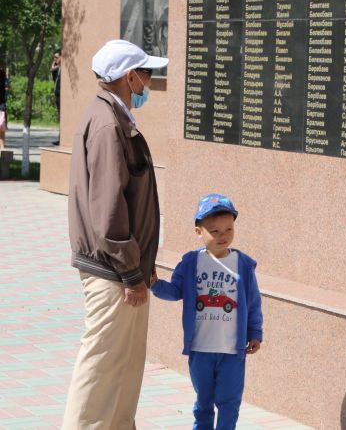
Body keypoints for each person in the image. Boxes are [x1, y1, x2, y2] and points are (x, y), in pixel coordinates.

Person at [63, 39, 168, 429]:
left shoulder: (111, 118)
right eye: (148, 74)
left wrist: (142, 266)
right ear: (130, 76)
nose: (150, 83)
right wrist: (130, 272)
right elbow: (109, 211)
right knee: (102, 366)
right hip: (113, 272)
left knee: (123, 368)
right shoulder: (108, 124)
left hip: (121, 270)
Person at [151, 193, 263, 430]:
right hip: (200, 349)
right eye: (215, 231)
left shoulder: (243, 264)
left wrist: (255, 332)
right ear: (198, 231)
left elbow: (252, 302)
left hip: (232, 351)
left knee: (230, 402)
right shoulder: (191, 262)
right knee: (203, 403)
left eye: (228, 230)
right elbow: (175, 291)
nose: (223, 236)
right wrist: (155, 284)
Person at [50, 49, 61, 145]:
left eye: (56, 57)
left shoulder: (64, 70)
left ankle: (61, 138)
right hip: (57, 97)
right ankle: (60, 138)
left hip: (62, 97)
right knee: (59, 118)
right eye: (54, 58)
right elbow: (55, 81)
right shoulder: (58, 70)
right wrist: (52, 70)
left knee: (61, 118)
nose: (55, 59)